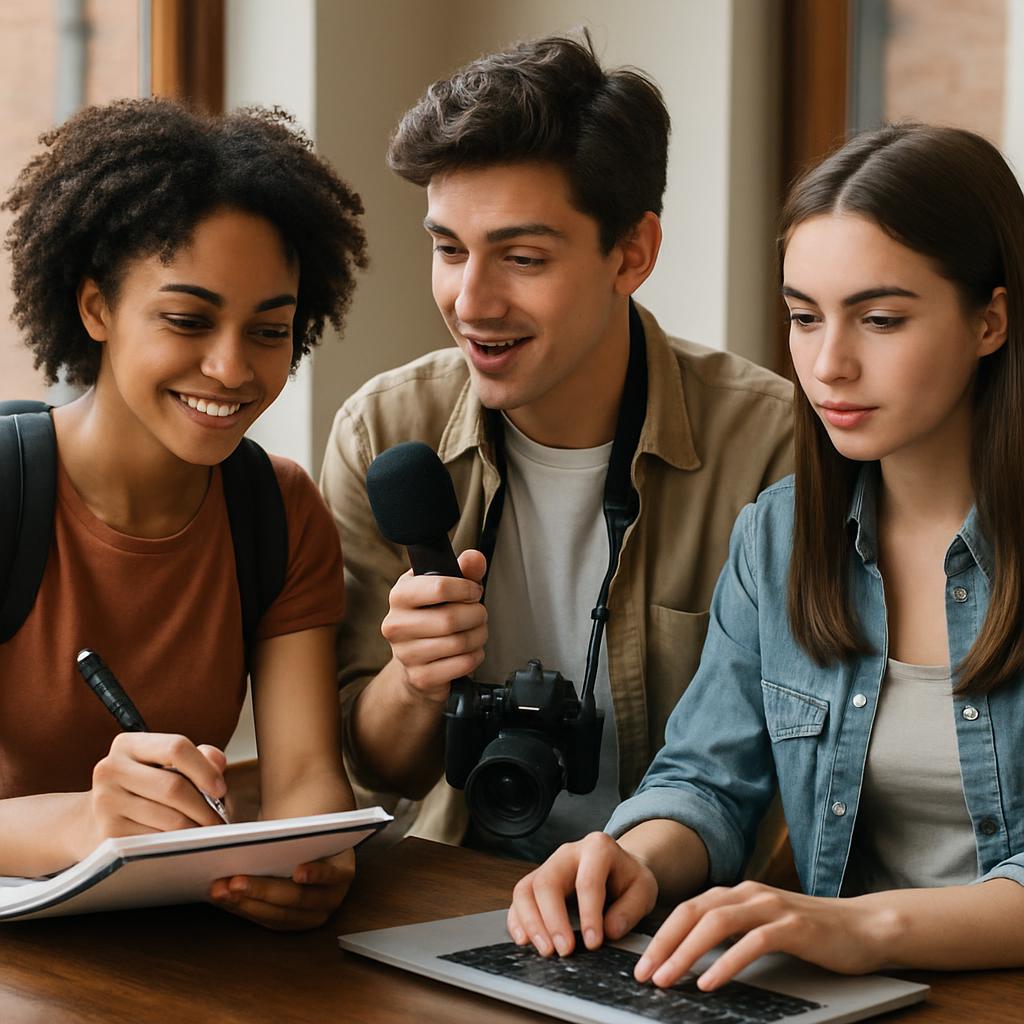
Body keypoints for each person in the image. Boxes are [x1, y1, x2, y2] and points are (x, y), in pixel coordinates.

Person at [508, 121, 1024, 984]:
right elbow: (708, 782)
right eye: (803, 317)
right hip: (858, 997)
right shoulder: (780, 537)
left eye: (882, 319)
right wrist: (632, 857)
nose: (829, 365)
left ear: (990, 321)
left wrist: (860, 927)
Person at [320, 34, 792, 862]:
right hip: (451, 897)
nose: (471, 301)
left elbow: (795, 777)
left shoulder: (772, 449)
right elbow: (376, 767)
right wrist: (416, 678)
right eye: (448, 248)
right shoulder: (385, 432)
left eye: (523, 257)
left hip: (679, 919)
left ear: (632, 254)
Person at [0, 98, 368, 930]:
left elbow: (307, 775)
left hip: (178, 956)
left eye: (269, 331)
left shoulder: (278, 512)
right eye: (187, 319)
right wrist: (95, 825)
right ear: (96, 308)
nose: (232, 367)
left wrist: (312, 857)